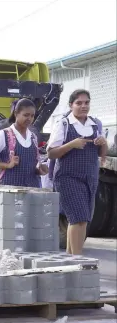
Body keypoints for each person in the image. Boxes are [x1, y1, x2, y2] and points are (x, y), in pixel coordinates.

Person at [47, 89, 108, 255]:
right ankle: (77, 258)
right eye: (79, 103)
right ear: (71, 105)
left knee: (84, 220)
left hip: (90, 177)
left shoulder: (95, 124)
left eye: (86, 103)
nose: (83, 106)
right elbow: (51, 153)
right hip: (67, 177)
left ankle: (70, 256)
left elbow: (102, 155)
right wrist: (71, 145)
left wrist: (103, 143)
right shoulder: (64, 124)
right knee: (77, 217)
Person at [0, 98, 48, 187]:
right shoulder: (3, 135)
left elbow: (31, 167)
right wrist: (7, 165)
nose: (29, 119)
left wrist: (40, 170)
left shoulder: (33, 137)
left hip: (32, 190)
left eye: (32, 116)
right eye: (26, 115)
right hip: (9, 191)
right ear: (16, 113)